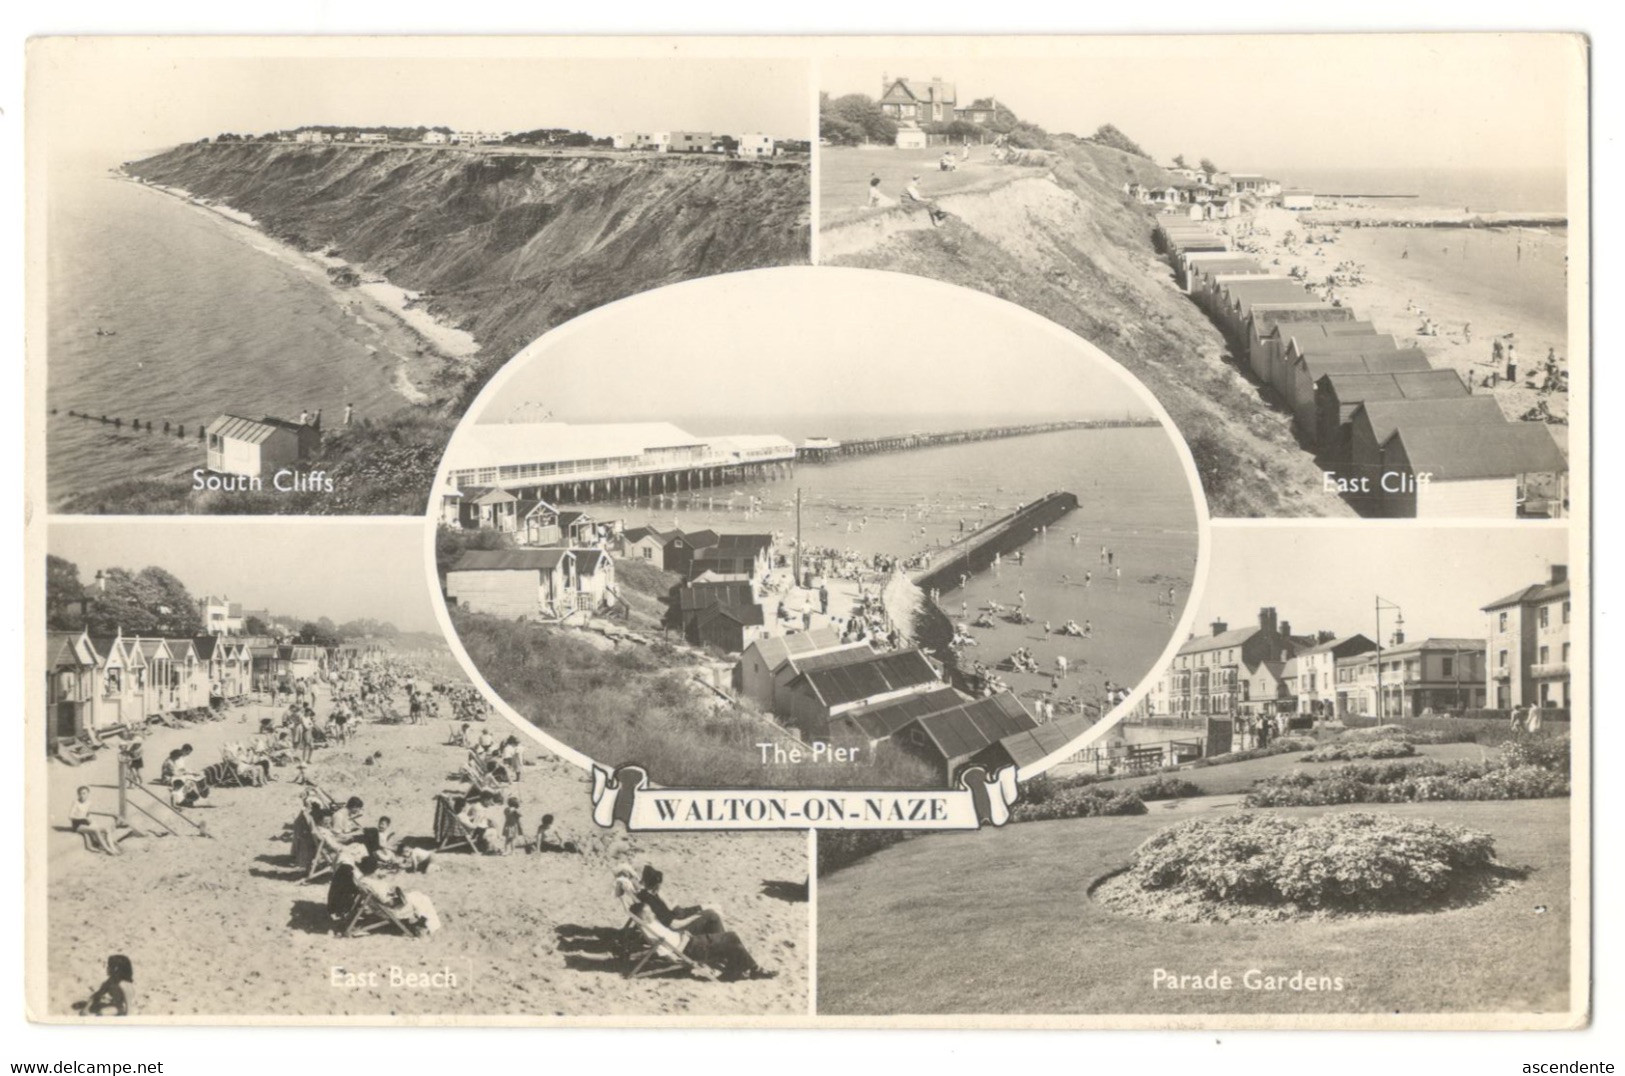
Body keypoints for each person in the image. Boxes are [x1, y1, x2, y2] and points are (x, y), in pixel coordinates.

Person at [628, 902, 774, 982]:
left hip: (690, 942)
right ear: (642, 916)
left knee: (725, 934)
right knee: (732, 937)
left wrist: (681, 934)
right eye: (649, 912)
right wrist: (684, 939)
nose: (653, 913)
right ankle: (752, 969)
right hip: (691, 949)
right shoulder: (651, 930)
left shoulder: (652, 924)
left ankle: (736, 963)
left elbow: (671, 938)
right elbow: (671, 954)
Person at [636, 865, 725, 936]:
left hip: (677, 918)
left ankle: (719, 941)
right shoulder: (652, 902)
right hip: (678, 931)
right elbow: (674, 925)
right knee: (712, 915)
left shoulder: (645, 895)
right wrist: (696, 917)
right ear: (656, 885)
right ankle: (722, 945)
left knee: (710, 912)